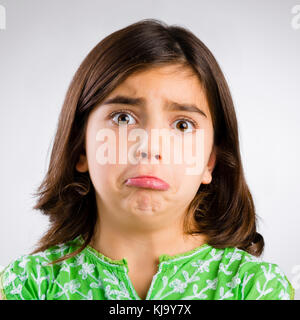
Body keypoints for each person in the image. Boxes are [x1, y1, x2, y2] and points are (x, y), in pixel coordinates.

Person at [0, 19, 295, 300]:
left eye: (182, 125)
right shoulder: (27, 286)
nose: (150, 147)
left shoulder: (255, 287)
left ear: (210, 162)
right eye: (123, 118)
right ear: (81, 149)